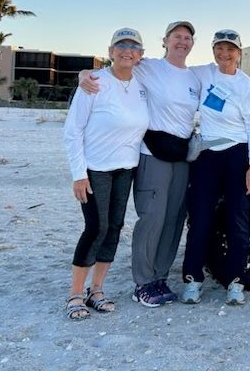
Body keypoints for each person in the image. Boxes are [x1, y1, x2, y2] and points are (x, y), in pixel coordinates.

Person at [79, 21, 200, 307]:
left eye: (187, 37)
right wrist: (83, 73)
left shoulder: (196, 78)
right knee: (153, 217)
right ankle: (143, 282)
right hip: (152, 154)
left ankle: (160, 277)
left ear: (192, 43)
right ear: (165, 41)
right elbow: (112, 69)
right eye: (176, 37)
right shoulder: (149, 67)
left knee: (173, 219)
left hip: (181, 157)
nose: (182, 42)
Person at [63, 28, 149, 320]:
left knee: (114, 227)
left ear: (141, 54)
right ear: (111, 50)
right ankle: (75, 293)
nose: (127, 50)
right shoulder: (95, 82)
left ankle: (96, 289)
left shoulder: (142, 84)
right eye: (121, 45)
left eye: (134, 46)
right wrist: (78, 174)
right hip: (94, 169)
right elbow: (72, 130)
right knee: (95, 228)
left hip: (126, 168)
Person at [181, 29, 250, 306]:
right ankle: (193, 279)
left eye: (230, 49)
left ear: (239, 52)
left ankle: (235, 282)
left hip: (236, 154)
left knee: (237, 219)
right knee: (200, 219)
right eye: (219, 48)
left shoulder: (244, 84)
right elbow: (170, 70)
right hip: (207, 155)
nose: (224, 54)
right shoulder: (203, 74)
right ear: (213, 50)